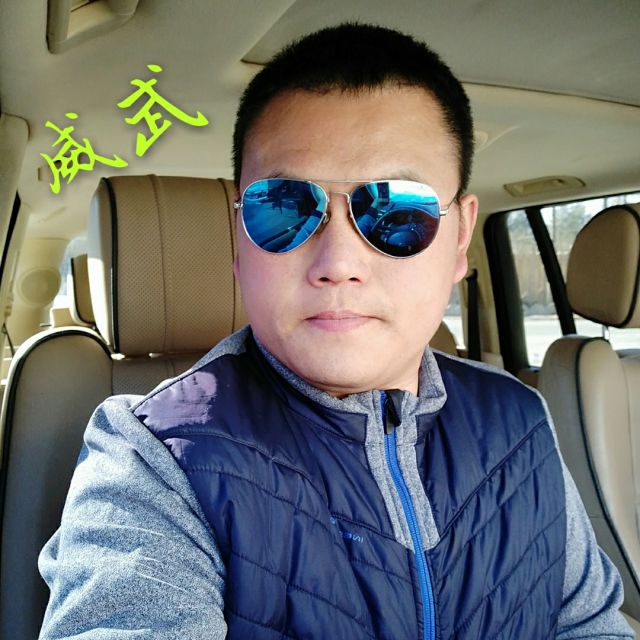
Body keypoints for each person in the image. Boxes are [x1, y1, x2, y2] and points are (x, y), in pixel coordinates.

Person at [38, 23, 633, 639]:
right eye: (284, 208)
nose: (339, 263)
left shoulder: (518, 416)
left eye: (398, 211)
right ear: (239, 239)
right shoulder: (153, 455)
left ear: (460, 237)